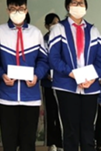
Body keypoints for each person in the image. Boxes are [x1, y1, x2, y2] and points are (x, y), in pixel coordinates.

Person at [48, 0, 101, 151]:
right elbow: (54, 58)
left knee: (88, 131)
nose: (78, 6)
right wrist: (72, 73)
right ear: (68, 6)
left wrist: (92, 78)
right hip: (66, 86)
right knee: (70, 131)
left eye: (81, 3)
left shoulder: (93, 31)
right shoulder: (58, 29)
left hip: (90, 87)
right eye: (74, 2)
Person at [0, 0, 48, 151]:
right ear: (7, 10)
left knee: (28, 142)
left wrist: (37, 76)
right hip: (6, 97)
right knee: (9, 142)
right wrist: (1, 75)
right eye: (13, 9)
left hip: (30, 97)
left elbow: (43, 60)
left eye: (21, 9)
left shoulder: (35, 33)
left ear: (26, 9)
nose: (17, 12)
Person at [41, 13, 62, 151]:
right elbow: (40, 60)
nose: (56, 26)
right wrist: (46, 74)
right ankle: (51, 143)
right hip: (48, 83)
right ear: (47, 26)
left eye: (58, 23)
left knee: (62, 113)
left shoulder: (62, 39)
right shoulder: (43, 41)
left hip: (61, 83)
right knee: (51, 113)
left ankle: (61, 143)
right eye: (53, 23)